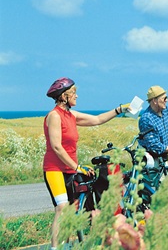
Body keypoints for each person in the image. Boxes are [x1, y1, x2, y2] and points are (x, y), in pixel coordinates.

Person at [43, 77, 130, 250]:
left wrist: (119, 109)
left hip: (70, 169)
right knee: (61, 207)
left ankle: (66, 245)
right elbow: (56, 147)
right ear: (64, 96)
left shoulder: (71, 115)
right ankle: (54, 248)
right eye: (74, 93)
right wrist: (77, 167)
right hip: (54, 170)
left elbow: (97, 120)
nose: (77, 96)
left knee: (72, 210)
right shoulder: (54, 116)